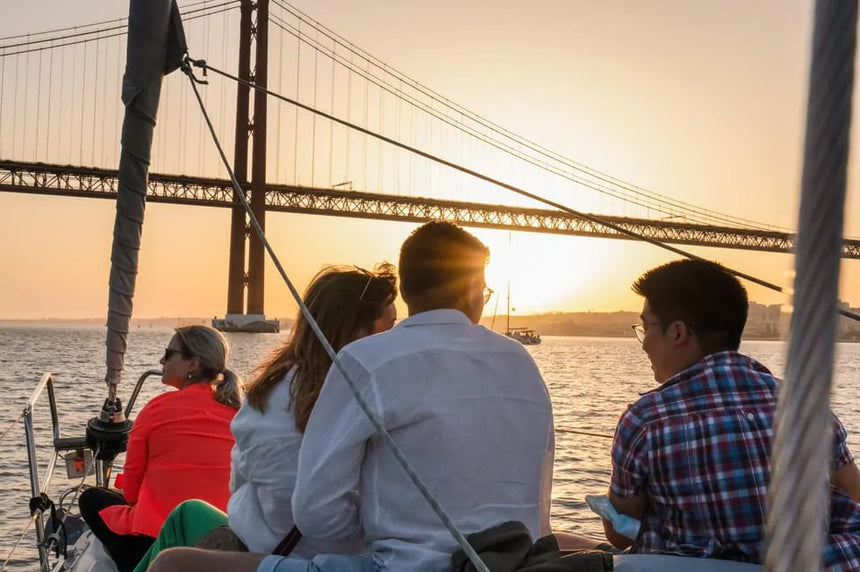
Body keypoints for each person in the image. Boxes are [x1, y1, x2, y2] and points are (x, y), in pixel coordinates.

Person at [149, 220, 555, 572]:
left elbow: (314, 514)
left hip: (398, 567)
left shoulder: (363, 362)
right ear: (470, 287)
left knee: (172, 564)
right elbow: (540, 515)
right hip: (516, 563)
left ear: (409, 289)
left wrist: (387, 526)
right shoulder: (522, 363)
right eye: (483, 292)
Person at [133, 265, 398, 571]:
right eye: (390, 328)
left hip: (275, 555)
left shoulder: (270, 393)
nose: (397, 338)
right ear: (358, 331)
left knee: (181, 526)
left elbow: (241, 485)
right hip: (342, 556)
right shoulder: (381, 396)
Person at [603, 258, 860, 568]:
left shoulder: (644, 420)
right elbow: (855, 492)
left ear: (678, 333)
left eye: (646, 327)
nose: (644, 344)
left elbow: (621, 535)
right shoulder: (807, 407)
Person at [79, 325, 241, 572]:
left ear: (193, 364)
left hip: (155, 537)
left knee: (90, 498)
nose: (161, 360)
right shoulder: (238, 415)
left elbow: (132, 491)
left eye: (169, 353)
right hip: (219, 537)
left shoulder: (156, 409)